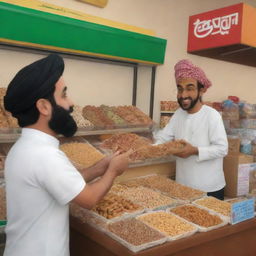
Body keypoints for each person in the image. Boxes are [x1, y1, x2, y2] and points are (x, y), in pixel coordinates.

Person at [3, 54, 129, 256]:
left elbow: (62, 182)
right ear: (44, 106)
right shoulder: (44, 155)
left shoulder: (24, 147)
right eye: (63, 95)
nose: (71, 103)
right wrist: (114, 171)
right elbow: (89, 199)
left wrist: (101, 166)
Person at [154, 59, 228, 200]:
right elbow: (163, 138)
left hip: (209, 188)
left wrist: (194, 150)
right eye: (180, 89)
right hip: (183, 186)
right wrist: (145, 149)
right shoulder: (178, 114)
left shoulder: (212, 115)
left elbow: (222, 149)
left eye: (189, 88)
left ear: (201, 90)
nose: (183, 95)